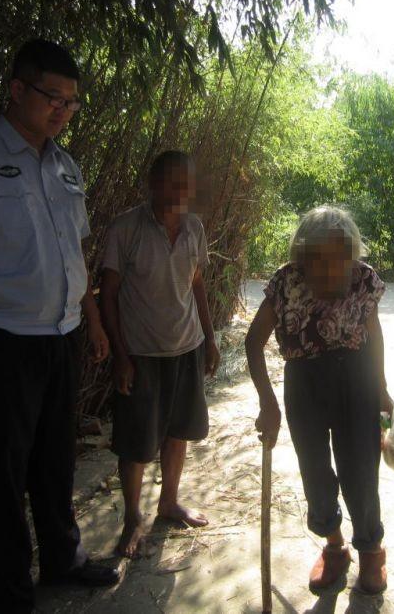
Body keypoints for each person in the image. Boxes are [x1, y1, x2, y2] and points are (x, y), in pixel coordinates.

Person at [0, 39, 119, 613]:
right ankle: (9, 595)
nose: (61, 110)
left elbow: (73, 255)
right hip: (1, 342)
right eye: (51, 97)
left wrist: (93, 321)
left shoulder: (65, 164)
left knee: (55, 461)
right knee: (2, 477)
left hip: (61, 338)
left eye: (71, 103)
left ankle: (63, 557)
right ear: (16, 90)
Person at [246, 206, 394, 595]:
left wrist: (381, 388)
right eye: (318, 261)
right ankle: (334, 546)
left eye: (338, 260)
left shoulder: (363, 279)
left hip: (357, 379)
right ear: (302, 258)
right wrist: (267, 403)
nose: (329, 270)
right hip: (305, 382)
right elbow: (253, 342)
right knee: (314, 471)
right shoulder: (285, 281)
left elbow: (373, 334)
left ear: (351, 257)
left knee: (361, 472)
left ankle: (371, 550)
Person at [99, 150, 220, 559]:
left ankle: (168, 502)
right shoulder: (125, 228)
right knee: (135, 441)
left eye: (185, 184)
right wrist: (120, 355)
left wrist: (209, 337)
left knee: (178, 430)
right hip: (141, 352)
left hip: (185, 346)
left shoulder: (194, 228)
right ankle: (133, 517)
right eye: (171, 182)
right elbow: (109, 294)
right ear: (152, 183)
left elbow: (197, 283)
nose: (179, 192)